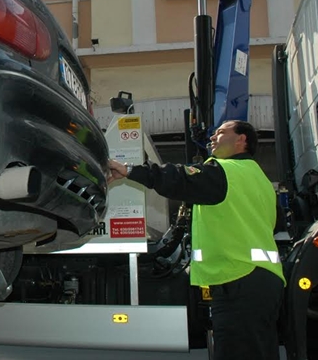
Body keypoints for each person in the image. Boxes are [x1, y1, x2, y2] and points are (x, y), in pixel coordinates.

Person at [107, 120, 285, 360]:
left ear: (242, 140)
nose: (212, 137)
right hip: (264, 281)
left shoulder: (225, 170)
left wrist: (129, 170)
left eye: (221, 133)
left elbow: (180, 178)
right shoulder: (261, 180)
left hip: (238, 280)